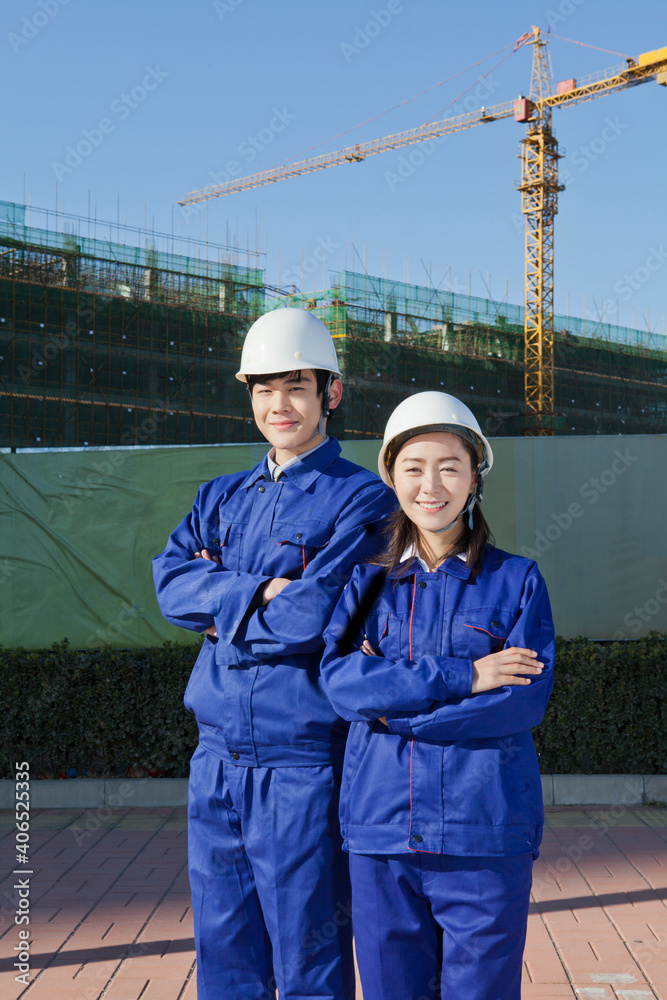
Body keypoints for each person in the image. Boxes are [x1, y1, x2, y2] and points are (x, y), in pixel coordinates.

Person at [152, 307, 396, 1000]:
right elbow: (171, 586)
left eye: (295, 386)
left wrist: (221, 605)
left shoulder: (365, 501)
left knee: (307, 954)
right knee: (224, 950)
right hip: (215, 760)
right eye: (262, 388)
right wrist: (261, 590)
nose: (277, 404)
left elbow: (309, 619)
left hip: (302, 764)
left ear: (332, 393)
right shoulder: (220, 496)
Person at [320, 390, 555, 1000]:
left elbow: (522, 702)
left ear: (475, 477)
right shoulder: (365, 584)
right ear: (392, 478)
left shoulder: (518, 580)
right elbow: (341, 683)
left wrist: (391, 709)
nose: (432, 485)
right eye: (413, 468)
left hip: (485, 833)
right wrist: (467, 676)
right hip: (381, 833)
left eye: (450, 466)